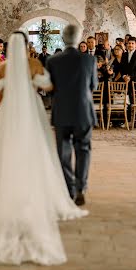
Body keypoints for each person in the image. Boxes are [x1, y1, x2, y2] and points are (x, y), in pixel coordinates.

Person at [0, 32, 87, 266]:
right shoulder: (33, 63)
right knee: (37, 148)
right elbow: (47, 85)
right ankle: (37, 190)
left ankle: (7, 191)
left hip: (8, 112)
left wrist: (3, 85)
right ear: (26, 45)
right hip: (31, 110)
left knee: (9, 149)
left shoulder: (4, 66)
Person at [47, 24, 98, 207]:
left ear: (63, 39)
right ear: (78, 40)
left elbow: (50, 88)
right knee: (83, 149)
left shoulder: (53, 60)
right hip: (83, 110)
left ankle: (69, 188)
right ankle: (81, 188)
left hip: (62, 111)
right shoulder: (89, 60)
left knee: (64, 151)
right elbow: (94, 86)